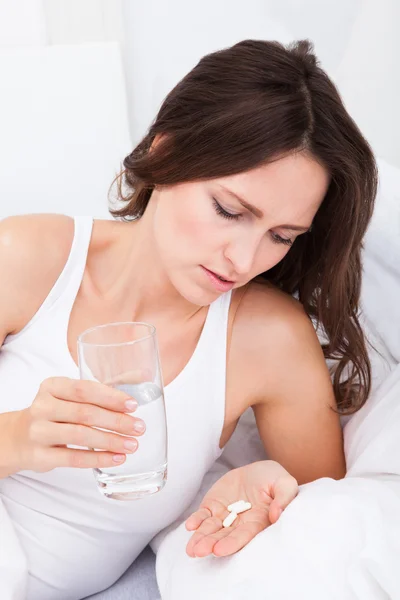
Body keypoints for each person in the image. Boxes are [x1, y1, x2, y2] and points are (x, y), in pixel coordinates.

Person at [0, 38, 377, 600]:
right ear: (167, 150)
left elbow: (329, 518)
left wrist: (260, 489)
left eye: (281, 236)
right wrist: (18, 436)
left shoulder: (268, 341)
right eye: (229, 210)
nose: (243, 260)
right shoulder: (30, 260)